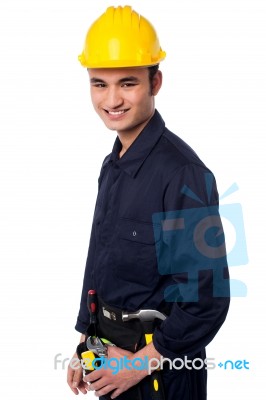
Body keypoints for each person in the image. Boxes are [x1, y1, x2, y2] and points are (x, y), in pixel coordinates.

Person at [67, 5, 230, 400]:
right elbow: (101, 262)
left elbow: (206, 299)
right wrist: (85, 341)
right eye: (99, 84)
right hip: (108, 355)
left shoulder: (182, 175)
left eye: (127, 82)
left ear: (156, 82)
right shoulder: (113, 165)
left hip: (160, 372)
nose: (112, 99)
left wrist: (137, 365)